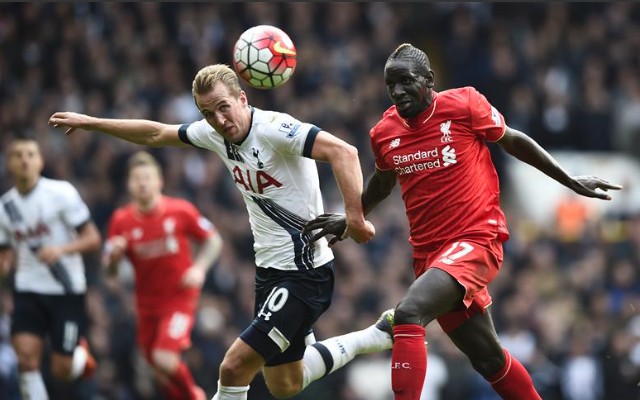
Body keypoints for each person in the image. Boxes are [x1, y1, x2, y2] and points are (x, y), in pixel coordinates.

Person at [48, 63, 394, 400]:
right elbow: (156, 132)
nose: (218, 120)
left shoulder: (276, 129)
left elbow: (343, 152)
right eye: (207, 112)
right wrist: (92, 123)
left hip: (304, 274)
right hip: (270, 273)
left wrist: (355, 218)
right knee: (285, 383)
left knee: (232, 369)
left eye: (223, 108)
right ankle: (375, 336)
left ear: (242, 99)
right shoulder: (213, 134)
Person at [303, 43, 623, 400]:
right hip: (431, 258)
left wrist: (571, 180)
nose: (398, 92)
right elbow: (382, 182)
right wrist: (351, 216)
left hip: (476, 240)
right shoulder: (384, 132)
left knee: (409, 312)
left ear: (429, 80)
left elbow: (512, 141)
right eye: (390, 85)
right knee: (488, 359)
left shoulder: (464, 104)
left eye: (406, 82)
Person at [102, 150, 224, 400]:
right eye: (137, 179)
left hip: (179, 297)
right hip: (146, 304)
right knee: (157, 367)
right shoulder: (120, 220)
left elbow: (213, 240)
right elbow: (109, 270)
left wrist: (199, 268)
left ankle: (196, 395)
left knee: (165, 359)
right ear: (129, 184)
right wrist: (113, 259)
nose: (143, 183)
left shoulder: (180, 210)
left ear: (160, 181)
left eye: (147, 177)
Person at [0, 135, 101, 400]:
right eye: (17, 155)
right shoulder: (5, 207)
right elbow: (5, 256)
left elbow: (93, 238)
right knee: (26, 360)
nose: (24, 160)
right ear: (9, 163)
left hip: (66, 291)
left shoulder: (61, 193)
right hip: (28, 290)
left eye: (30, 155)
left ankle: (80, 354)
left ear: (40, 161)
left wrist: (61, 250)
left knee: (62, 370)